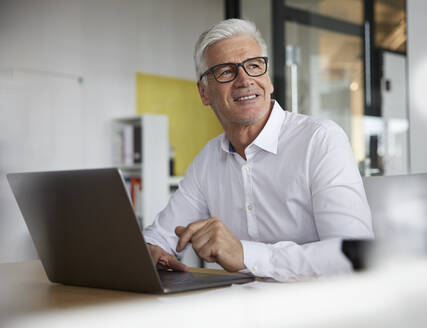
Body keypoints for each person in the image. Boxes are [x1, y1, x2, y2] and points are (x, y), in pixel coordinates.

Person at [143, 18, 373, 282]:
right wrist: (153, 249)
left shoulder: (320, 140)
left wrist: (245, 254)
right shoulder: (208, 158)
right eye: (226, 72)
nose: (244, 80)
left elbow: (353, 254)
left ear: (268, 80)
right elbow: (160, 235)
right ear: (204, 93)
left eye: (253, 66)